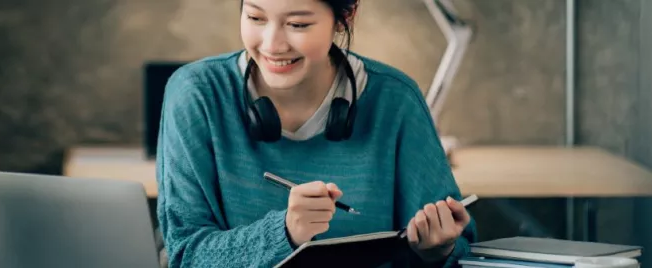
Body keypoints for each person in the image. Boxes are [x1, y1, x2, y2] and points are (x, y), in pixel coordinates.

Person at [155, 0, 477, 267]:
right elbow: (186, 254)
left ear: (344, 16)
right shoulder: (195, 94)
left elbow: (459, 249)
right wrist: (284, 232)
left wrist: (439, 250)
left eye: (297, 24)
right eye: (255, 17)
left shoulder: (397, 100)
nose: (272, 45)